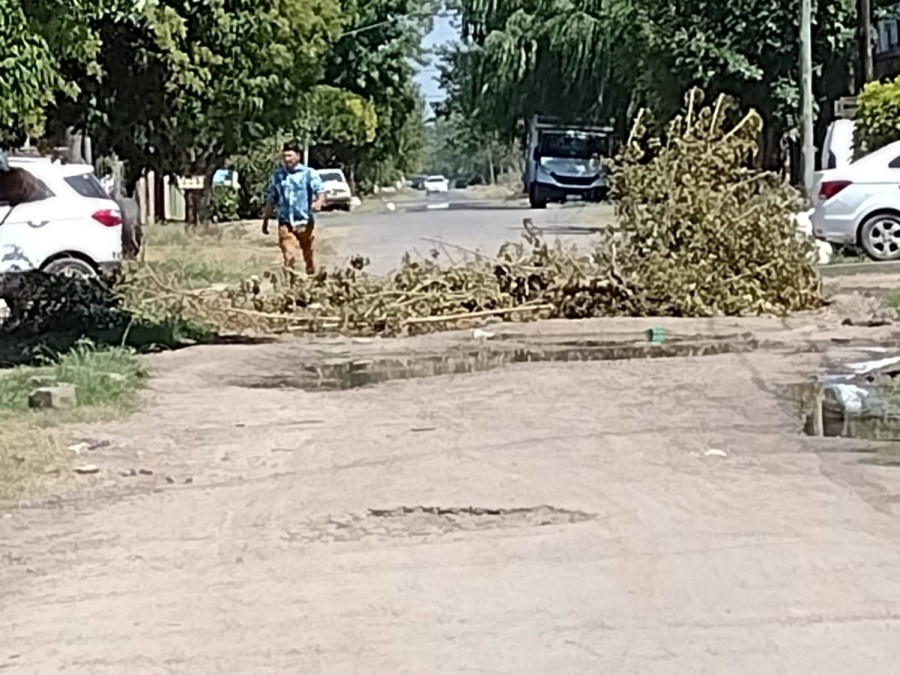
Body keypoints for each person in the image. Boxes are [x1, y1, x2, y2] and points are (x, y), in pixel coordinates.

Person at [262, 140, 325, 277]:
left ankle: (313, 280)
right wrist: (266, 219)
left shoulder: (309, 174)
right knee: (288, 256)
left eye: (290, 156)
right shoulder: (278, 175)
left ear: (298, 156)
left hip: (304, 221)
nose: (287, 159)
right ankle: (291, 285)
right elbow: (272, 197)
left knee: (309, 255)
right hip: (285, 222)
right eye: (284, 156)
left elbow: (320, 191)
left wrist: (318, 202)